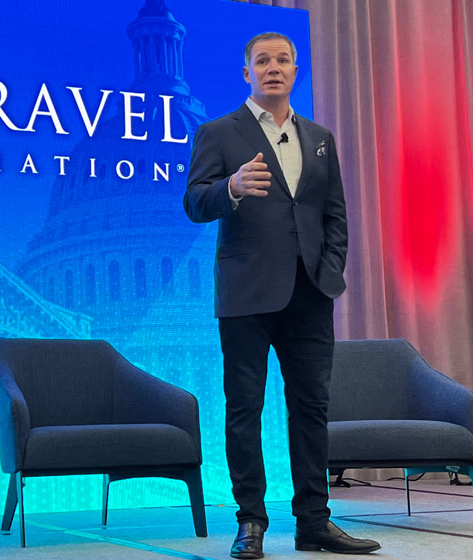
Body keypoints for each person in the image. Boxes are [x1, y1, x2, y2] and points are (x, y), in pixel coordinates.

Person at [183, 32, 380, 558]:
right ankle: (251, 521)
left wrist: (329, 269)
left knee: (311, 408)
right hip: (246, 293)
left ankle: (314, 521)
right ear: (245, 72)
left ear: (295, 71)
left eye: (283, 60)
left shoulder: (319, 137)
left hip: (310, 293)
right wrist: (230, 188)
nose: (274, 67)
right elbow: (194, 203)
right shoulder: (217, 132)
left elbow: (334, 214)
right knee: (244, 409)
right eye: (262, 60)